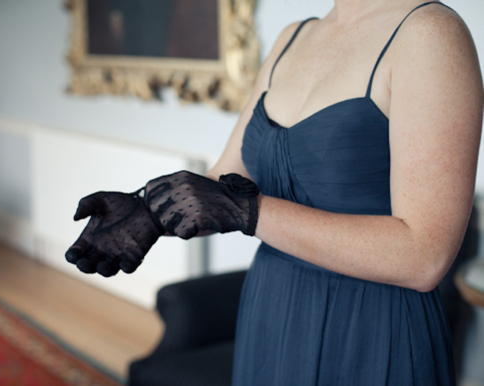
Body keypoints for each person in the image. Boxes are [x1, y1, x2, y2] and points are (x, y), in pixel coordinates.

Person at [66, 0, 483, 384]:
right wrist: (149, 211)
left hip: (371, 327)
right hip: (273, 308)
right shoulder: (293, 38)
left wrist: (248, 212)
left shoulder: (430, 34)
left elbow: (425, 255)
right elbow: (223, 181)